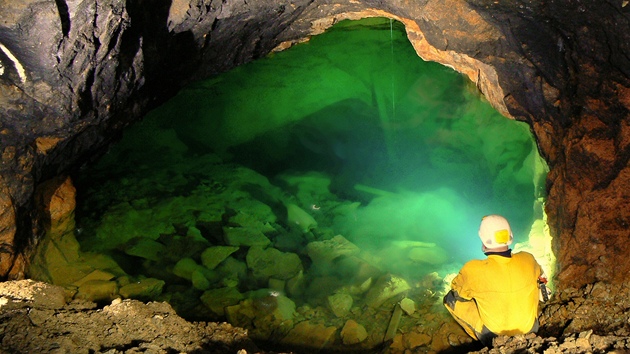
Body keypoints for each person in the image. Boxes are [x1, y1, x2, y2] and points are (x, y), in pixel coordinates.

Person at [443, 214, 547, 346]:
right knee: (535, 284)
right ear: (510, 237)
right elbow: (542, 277)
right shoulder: (528, 259)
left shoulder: (473, 269)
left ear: (484, 241)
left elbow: (457, 292)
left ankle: (481, 340)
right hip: (531, 329)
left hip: (493, 335)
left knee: (450, 299)